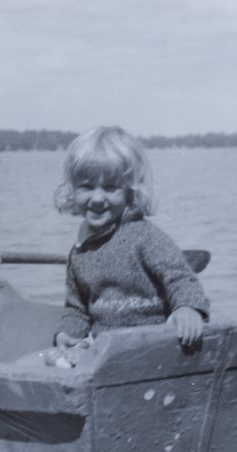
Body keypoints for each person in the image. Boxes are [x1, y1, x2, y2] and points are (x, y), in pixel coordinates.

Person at [47, 126, 209, 368]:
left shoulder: (144, 236)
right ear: (72, 190)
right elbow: (76, 308)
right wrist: (67, 334)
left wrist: (188, 308)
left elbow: (180, 278)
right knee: (52, 359)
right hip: (105, 348)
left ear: (129, 192)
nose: (98, 198)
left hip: (153, 344)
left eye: (111, 188)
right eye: (87, 187)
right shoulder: (79, 251)